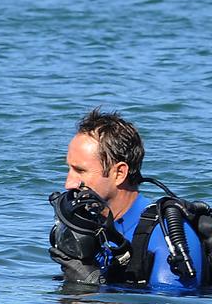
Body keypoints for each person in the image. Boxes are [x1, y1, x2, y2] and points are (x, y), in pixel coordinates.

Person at [50, 108, 204, 289]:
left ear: (119, 173)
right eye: (69, 169)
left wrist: (90, 286)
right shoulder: (95, 227)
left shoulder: (167, 234)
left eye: (80, 171)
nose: (69, 184)